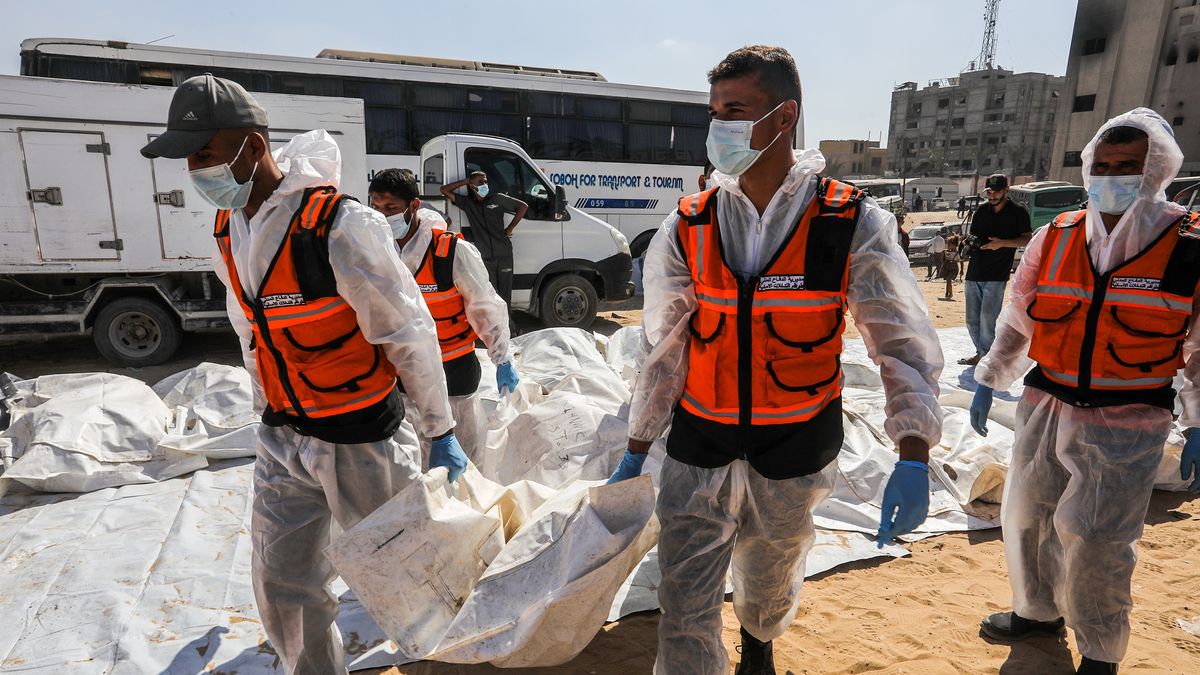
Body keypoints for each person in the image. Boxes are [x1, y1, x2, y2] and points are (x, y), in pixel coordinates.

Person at [606, 45, 943, 675]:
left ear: (783, 117)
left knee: (770, 571)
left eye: (735, 110)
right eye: (714, 112)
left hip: (796, 438)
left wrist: (914, 449)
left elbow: (899, 343)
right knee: (684, 594)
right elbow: (664, 346)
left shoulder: (850, 222)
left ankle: (759, 648)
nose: (719, 128)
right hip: (701, 435)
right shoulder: (691, 224)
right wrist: (638, 439)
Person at [141, 75, 465, 675]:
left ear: (253, 146)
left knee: (404, 578)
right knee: (282, 581)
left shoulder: (339, 225)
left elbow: (407, 331)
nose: (194, 169)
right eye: (188, 158)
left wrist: (439, 429)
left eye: (205, 155)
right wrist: (268, 407)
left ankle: (445, 661)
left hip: (361, 438)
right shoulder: (229, 227)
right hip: (283, 435)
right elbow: (251, 330)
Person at [969, 108, 1200, 675]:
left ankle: (1099, 649)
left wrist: (1197, 421)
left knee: (1099, 540)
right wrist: (990, 379)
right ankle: (1038, 611)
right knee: (1028, 517)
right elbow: (1018, 318)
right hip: (1046, 403)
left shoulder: (1189, 246)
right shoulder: (1058, 235)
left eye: (1129, 166)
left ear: (1158, 171)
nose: (1112, 176)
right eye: (1102, 165)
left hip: (1127, 417)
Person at [369, 168, 518, 460]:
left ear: (414, 206)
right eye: (375, 208)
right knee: (414, 462)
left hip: (454, 373)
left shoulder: (452, 252)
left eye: (391, 208)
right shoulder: (376, 252)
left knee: (462, 459)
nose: (382, 216)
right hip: (402, 375)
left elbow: (485, 306)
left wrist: (502, 357)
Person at [958, 174, 1032, 366]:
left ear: (1006, 190)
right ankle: (981, 353)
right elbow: (973, 236)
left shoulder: (1018, 212)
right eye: (989, 192)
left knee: (988, 319)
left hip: (997, 274)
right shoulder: (981, 211)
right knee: (972, 319)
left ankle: (989, 356)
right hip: (974, 272)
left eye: (996, 191)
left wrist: (1002, 244)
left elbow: (1027, 239)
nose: (992, 196)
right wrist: (967, 244)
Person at [439, 171, 528, 307]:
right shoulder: (468, 203)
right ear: (472, 185)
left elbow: (523, 207)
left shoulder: (497, 198)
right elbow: (443, 190)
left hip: (504, 254)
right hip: (485, 257)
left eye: (485, 181)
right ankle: (495, 327)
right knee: (491, 295)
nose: (484, 185)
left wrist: (510, 229)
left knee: (505, 295)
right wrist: (465, 181)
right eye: (480, 182)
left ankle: (509, 327)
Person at [941, 233, 959, 301]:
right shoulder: (947, 252)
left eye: (949, 245)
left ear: (954, 245)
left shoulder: (957, 252)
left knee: (949, 280)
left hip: (953, 268)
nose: (948, 246)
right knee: (948, 281)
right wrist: (943, 255)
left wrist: (962, 270)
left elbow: (960, 261)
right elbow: (943, 260)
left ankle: (950, 293)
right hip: (947, 267)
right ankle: (947, 292)